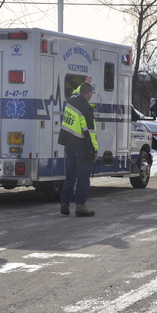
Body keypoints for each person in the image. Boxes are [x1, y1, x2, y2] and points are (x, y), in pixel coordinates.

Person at [58, 82, 98, 217]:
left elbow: (76, 91)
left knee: (70, 176)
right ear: (88, 94)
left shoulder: (71, 100)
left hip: (69, 145)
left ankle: (64, 203)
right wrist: (94, 151)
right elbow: (90, 132)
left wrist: (82, 83)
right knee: (83, 177)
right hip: (81, 147)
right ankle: (81, 206)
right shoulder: (85, 108)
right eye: (91, 93)